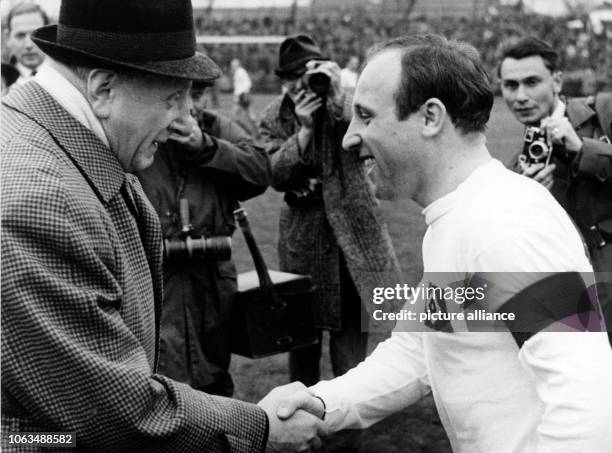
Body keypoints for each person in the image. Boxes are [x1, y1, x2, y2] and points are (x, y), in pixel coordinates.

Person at [1, 0, 326, 451]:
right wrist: (261, 428)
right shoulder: (41, 201)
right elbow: (115, 414)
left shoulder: (57, 149)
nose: (183, 119)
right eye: (172, 98)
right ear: (102, 88)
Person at [269, 34, 612, 452]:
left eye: (366, 116)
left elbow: (589, 403)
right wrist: (324, 402)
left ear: (431, 117)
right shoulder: (459, 217)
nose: (349, 137)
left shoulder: (507, 224)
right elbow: (420, 346)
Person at [259, 34, 401, 452]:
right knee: (302, 351)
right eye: (294, 80)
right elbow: (276, 174)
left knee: (350, 357)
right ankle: (296, 436)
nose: (303, 87)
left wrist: (339, 96)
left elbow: (372, 141)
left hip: (353, 246)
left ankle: (347, 441)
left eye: (312, 75)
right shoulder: (275, 115)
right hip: (303, 247)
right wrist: (303, 131)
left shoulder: (349, 106)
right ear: (284, 81)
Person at [136, 78, 269, 397]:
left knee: (213, 374)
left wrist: (205, 147)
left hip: (211, 279)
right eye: (176, 96)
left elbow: (261, 172)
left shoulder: (218, 128)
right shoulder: (141, 132)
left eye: (196, 94)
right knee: (158, 377)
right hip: (157, 278)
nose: (189, 107)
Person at [498, 36, 612, 344]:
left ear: (557, 81)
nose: (520, 96)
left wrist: (583, 150)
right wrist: (524, 199)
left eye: (531, 82)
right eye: (510, 85)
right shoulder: (517, 170)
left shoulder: (604, 112)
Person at [4, 2, 49, 83]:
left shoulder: (68, 80)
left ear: (48, 37)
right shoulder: (3, 81)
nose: (28, 45)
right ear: (8, 38)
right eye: (20, 35)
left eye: (36, 35)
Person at [230, 58, 258, 137]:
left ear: (237, 65)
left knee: (235, 117)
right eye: (232, 65)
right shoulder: (239, 72)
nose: (232, 67)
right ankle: (256, 133)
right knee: (251, 116)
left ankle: (250, 132)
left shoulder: (240, 72)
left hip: (242, 97)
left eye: (233, 65)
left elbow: (247, 84)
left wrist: (240, 95)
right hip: (243, 96)